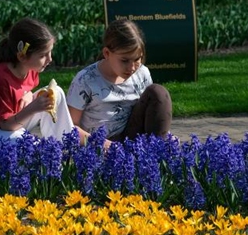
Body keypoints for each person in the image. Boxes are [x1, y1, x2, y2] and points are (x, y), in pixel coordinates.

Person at [0, 18, 74, 146]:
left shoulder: (30, 68)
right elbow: (6, 125)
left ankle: (66, 145)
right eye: (43, 55)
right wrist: (33, 107)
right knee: (32, 145)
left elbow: (23, 89)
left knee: (56, 93)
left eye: (50, 53)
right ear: (22, 56)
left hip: (12, 122)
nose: (50, 59)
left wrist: (28, 94)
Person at [66, 19, 172, 148]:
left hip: (133, 137)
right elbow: (71, 126)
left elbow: (150, 111)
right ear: (107, 53)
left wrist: (164, 134)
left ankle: (157, 152)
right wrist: (105, 145)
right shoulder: (85, 80)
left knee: (158, 92)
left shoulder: (142, 73)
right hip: (99, 144)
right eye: (124, 60)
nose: (132, 67)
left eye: (137, 59)